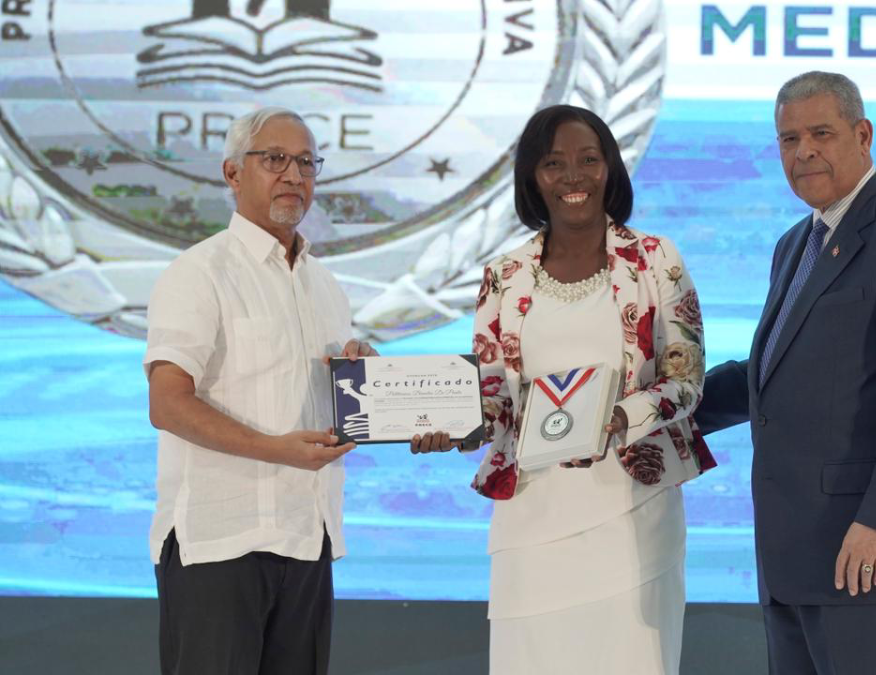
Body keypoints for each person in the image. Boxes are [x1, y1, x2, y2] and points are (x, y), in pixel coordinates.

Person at [417, 104, 715, 674]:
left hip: (633, 510)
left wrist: (620, 418)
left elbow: (687, 379)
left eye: (588, 159)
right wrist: (449, 425)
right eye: (554, 163)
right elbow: (494, 398)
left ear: (611, 169)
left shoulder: (656, 261)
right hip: (532, 514)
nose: (573, 176)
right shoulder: (503, 275)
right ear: (533, 176)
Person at [694, 71, 876, 675]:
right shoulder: (797, 242)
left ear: (863, 134)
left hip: (873, 554)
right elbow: (772, 374)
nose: (804, 151)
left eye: (821, 132)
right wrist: (661, 407)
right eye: (789, 139)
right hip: (797, 555)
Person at [144, 107, 377, 675]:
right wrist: (276, 449)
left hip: (307, 535)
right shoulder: (199, 272)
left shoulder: (326, 286)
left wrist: (366, 383)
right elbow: (167, 402)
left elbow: (326, 404)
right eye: (274, 159)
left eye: (306, 163)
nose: (293, 176)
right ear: (232, 173)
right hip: (220, 541)